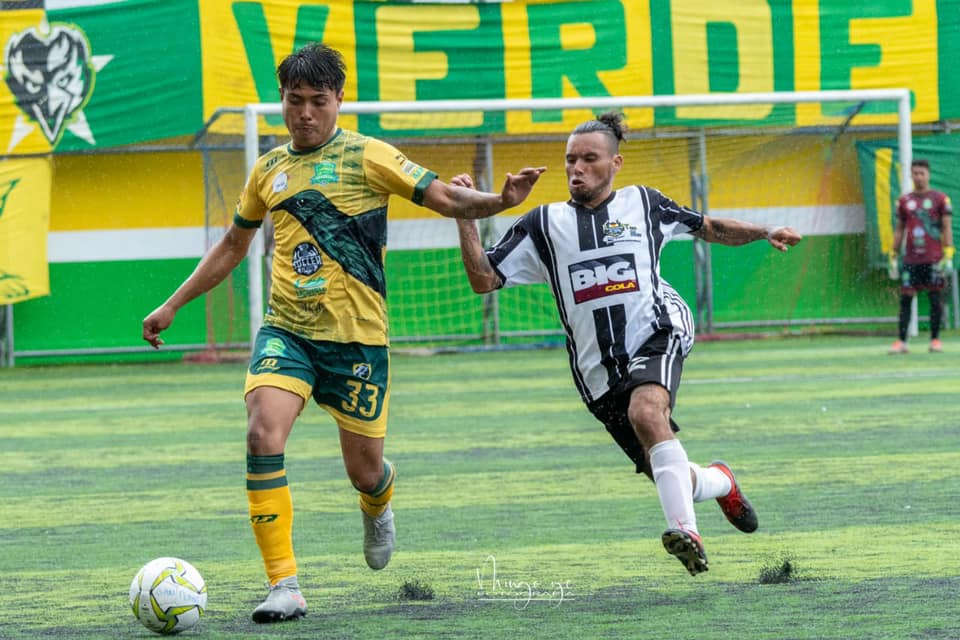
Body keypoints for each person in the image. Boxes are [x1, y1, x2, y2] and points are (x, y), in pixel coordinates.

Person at [142, 42, 545, 623]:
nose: (305, 113)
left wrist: (499, 200)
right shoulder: (268, 170)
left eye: (318, 101)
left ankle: (378, 499)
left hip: (358, 341)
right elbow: (233, 245)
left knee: (364, 470)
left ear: (338, 100)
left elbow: (443, 196)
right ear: (282, 100)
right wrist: (172, 304)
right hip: (287, 332)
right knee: (262, 432)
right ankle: (284, 585)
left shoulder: (368, 155)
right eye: (294, 100)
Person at [452, 111, 801, 576]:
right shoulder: (543, 224)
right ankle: (720, 482)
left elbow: (709, 227)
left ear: (615, 163)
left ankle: (687, 533)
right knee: (667, 472)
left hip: (659, 328)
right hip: (598, 372)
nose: (577, 168)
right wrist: (465, 216)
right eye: (570, 160)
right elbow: (484, 279)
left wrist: (764, 232)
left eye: (589, 159)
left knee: (646, 412)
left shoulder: (644, 203)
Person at [887, 159, 953, 354]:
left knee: (935, 298)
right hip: (911, 259)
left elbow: (946, 227)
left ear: (928, 175)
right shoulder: (904, 201)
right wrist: (893, 254)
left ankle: (935, 340)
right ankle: (902, 342)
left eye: (921, 173)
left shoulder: (940, 199)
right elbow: (899, 229)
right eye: (915, 173)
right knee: (906, 299)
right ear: (911, 175)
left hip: (934, 258)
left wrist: (949, 252)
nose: (918, 177)